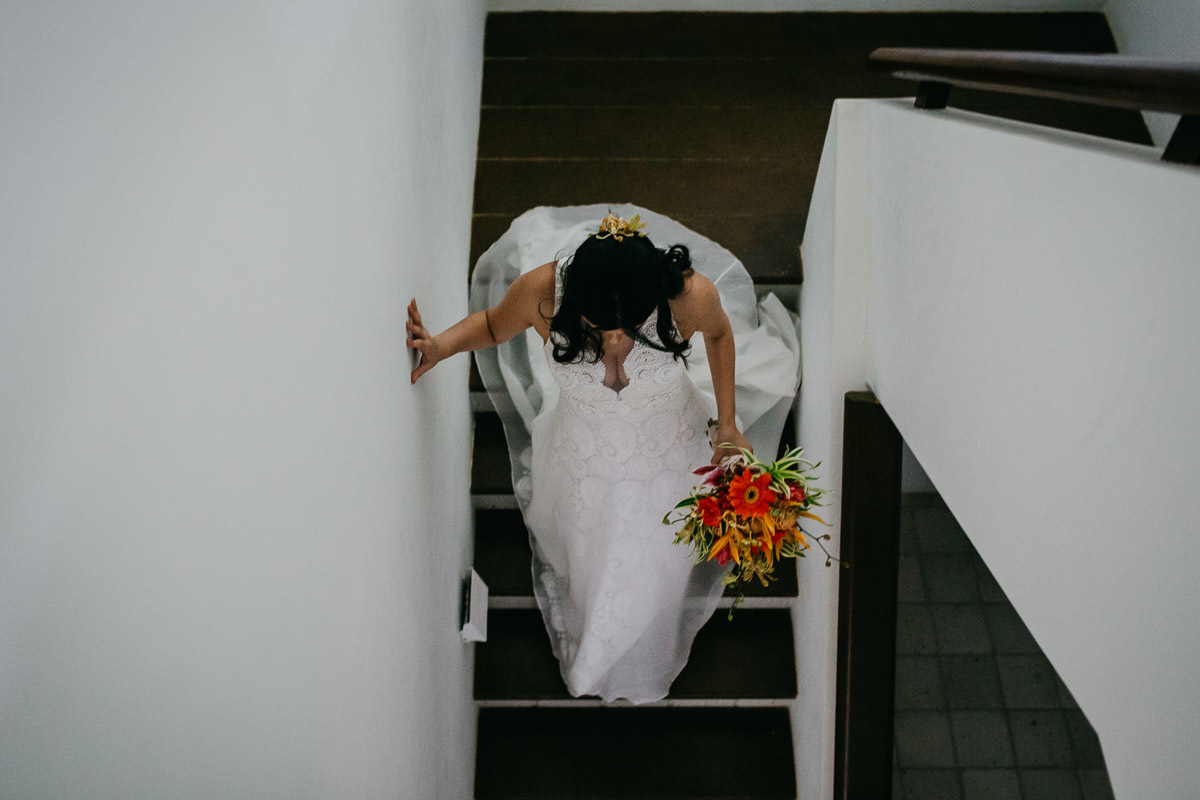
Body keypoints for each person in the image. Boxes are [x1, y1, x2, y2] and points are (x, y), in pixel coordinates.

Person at [408, 204, 800, 703]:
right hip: (584, 452)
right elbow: (490, 325)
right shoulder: (541, 291)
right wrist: (440, 346)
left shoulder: (689, 294)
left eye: (629, 324)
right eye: (602, 325)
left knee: (661, 558)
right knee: (590, 547)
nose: (615, 339)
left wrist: (726, 424)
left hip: (668, 443)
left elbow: (720, 335)